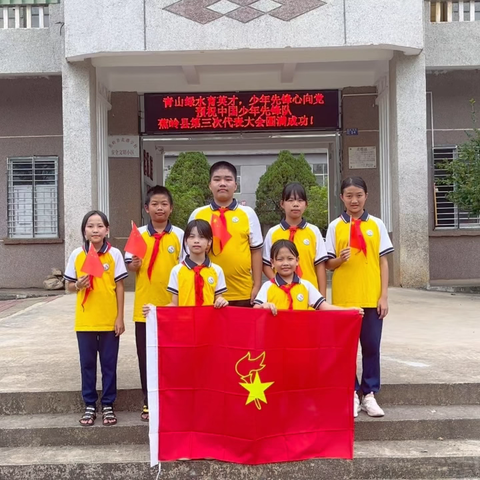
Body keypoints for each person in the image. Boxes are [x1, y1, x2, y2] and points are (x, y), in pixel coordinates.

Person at [325, 176, 394, 418]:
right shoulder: (335, 226)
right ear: (342, 197)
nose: (354, 200)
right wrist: (339, 259)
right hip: (344, 300)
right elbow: (328, 265)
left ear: (366, 196)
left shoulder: (376, 224)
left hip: (371, 297)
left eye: (359, 195)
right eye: (349, 195)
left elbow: (383, 262)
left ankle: (370, 394)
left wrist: (383, 296)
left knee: (371, 347)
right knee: (346, 349)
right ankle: (352, 392)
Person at [125, 185, 184, 422]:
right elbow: (130, 265)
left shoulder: (180, 235)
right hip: (146, 308)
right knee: (146, 356)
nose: (159, 208)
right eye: (155, 204)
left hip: (172, 307)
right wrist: (135, 265)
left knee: (172, 357)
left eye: (164, 204)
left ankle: (172, 399)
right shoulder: (138, 234)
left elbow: (184, 267)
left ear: (171, 208)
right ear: (146, 208)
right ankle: (149, 401)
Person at [64, 210, 128, 427]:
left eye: (100, 226)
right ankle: (90, 403)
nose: (95, 230)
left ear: (107, 230)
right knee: (87, 364)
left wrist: (120, 317)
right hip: (85, 321)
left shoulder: (115, 254)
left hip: (110, 321)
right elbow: (69, 286)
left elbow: (119, 286)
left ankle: (108, 403)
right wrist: (78, 285)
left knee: (109, 364)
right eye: (90, 226)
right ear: (84, 230)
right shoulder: (77, 254)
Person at [188, 161, 263, 307]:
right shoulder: (198, 214)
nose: (222, 183)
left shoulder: (248, 213)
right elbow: (189, 251)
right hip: (207, 291)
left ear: (235, 185)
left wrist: (257, 285)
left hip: (242, 292)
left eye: (228, 179)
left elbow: (256, 251)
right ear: (210, 185)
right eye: (217, 179)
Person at [254, 239, 364, 316]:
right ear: (272, 262)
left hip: (301, 337)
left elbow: (324, 307)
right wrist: (264, 305)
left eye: (290, 258)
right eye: (280, 259)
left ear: (297, 261)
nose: (285, 263)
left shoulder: (306, 286)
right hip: (274, 339)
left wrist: (349, 310)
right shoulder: (268, 286)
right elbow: (255, 309)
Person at [143, 219, 228, 312]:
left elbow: (218, 300)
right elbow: (174, 304)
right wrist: (154, 310)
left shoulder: (217, 270)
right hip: (184, 322)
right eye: (192, 237)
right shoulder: (177, 271)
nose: (196, 241)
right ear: (186, 241)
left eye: (202, 237)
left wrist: (222, 301)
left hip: (209, 322)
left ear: (209, 241)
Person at [263, 182, 328, 297]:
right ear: (282, 204)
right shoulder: (273, 233)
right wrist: (281, 284)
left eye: (300, 200)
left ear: (306, 204)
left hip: (309, 295)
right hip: (280, 294)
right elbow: (266, 264)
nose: (295, 204)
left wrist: (322, 296)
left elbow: (320, 266)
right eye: (290, 200)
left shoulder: (314, 231)